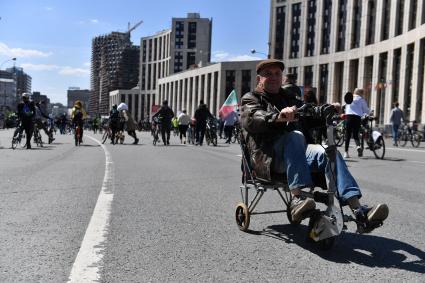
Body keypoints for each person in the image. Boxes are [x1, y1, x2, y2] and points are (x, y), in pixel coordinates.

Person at [240, 59, 388, 230]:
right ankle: (298, 198)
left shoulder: (288, 97)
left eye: (277, 74)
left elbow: (310, 110)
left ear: (281, 77)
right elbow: (253, 117)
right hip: (268, 160)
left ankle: (360, 212)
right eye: (268, 74)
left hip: (296, 157)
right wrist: (278, 116)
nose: (273, 77)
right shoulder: (251, 98)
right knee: (294, 136)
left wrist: (327, 108)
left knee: (329, 152)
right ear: (260, 78)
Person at [344, 89, 370, 158]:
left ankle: (346, 152)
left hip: (349, 117)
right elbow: (366, 110)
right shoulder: (361, 100)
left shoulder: (349, 98)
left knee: (348, 135)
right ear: (361, 93)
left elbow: (346, 107)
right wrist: (369, 113)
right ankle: (358, 146)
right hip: (357, 118)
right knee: (356, 134)